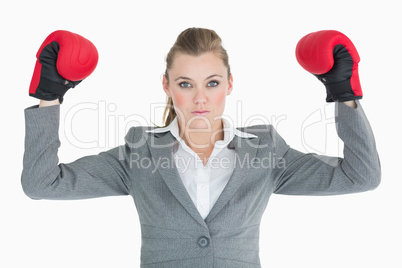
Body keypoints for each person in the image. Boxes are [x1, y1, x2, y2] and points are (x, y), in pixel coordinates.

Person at [22, 27, 381, 268]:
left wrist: (344, 94)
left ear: (229, 84)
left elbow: (360, 177)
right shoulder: (138, 151)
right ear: (166, 86)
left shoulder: (266, 151)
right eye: (184, 83)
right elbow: (42, 184)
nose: (199, 99)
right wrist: (49, 98)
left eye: (211, 83)